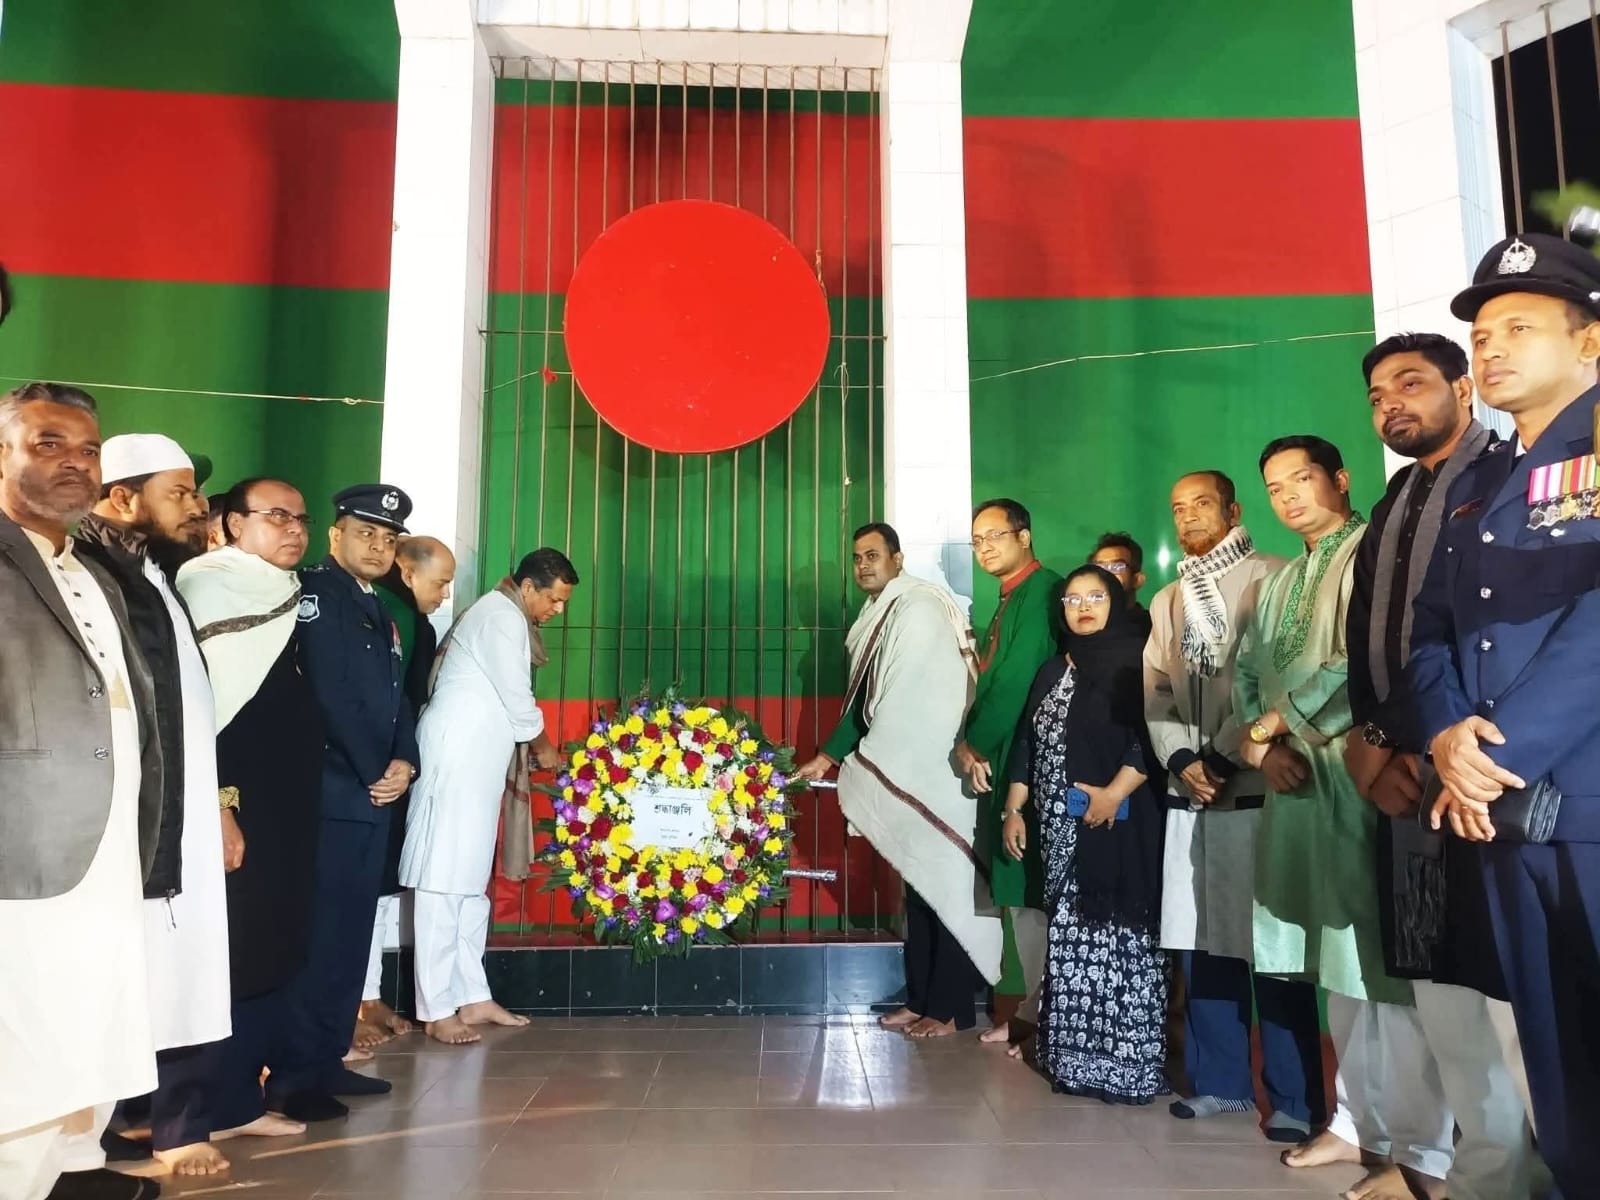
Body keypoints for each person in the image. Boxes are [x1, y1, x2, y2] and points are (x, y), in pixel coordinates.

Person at [1410, 232, 1600, 1200]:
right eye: (1482, 336)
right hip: (1505, 813)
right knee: (1553, 1054)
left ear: (1589, 341)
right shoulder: (1479, 482)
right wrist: (1446, 737)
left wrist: (1491, 758)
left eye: (1519, 328)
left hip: (1582, 802)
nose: (1490, 349)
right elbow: (1430, 627)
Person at [1343, 333, 1534, 1200]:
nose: (1392, 404)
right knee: (1435, 978)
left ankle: (1524, 1170)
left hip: (1477, 768)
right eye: (1379, 395)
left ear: (1464, 387)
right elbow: (1372, 632)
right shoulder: (1396, 499)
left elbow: (1482, 637)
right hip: (1402, 772)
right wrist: (1371, 737)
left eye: (1411, 384)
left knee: (1502, 988)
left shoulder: (1507, 476)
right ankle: (1470, 1171)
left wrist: (1420, 739)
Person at [1232, 436, 1415, 1192]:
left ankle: (1411, 1141)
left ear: (1339, 479)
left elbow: (1362, 658)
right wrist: (1259, 748)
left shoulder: (1373, 551)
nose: (1288, 497)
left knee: (1379, 965)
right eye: (1275, 488)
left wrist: (1282, 722)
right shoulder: (1281, 580)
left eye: (1301, 480)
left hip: (1359, 773)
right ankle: (1352, 1123)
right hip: (1296, 784)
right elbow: (1249, 669)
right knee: (1332, 966)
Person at [0, 384, 163, 1200]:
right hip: (23, 858)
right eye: (48, 443)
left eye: (88, 449)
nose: (75, 462)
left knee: (87, 1044)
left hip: (107, 855)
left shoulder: (95, 574)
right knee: (23, 1065)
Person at [1145, 471, 1325, 1141]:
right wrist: (1181, 761)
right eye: (1178, 508)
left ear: (1233, 509)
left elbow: (1272, 679)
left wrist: (1221, 756)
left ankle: (1295, 1099)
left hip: (1255, 786)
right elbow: (1157, 690)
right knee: (1204, 944)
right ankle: (1221, 1084)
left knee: (1273, 950)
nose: (1189, 517)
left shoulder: (1275, 577)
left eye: (1202, 504)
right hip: (1191, 795)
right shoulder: (1169, 598)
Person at [76, 436, 234, 1178]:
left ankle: (162, 1122)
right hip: (129, 823)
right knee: (131, 972)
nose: (198, 506)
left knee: (180, 968)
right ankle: (139, 1126)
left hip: (184, 815)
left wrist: (219, 804)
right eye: (180, 492)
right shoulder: (89, 575)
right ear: (122, 498)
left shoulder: (151, 573)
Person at [797, 523, 1000, 1036]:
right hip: (910, 767)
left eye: (873, 555)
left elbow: (911, 698)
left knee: (945, 887)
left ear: (898, 558)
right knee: (919, 887)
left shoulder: (918, 608)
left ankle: (950, 1010)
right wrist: (827, 757)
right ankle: (922, 998)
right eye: (857, 557)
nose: (863, 565)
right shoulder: (880, 612)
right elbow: (872, 700)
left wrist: (851, 757)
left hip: (939, 770)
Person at [265, 484, 419, 1116]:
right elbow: (330, 692)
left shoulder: (378, 605)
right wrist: (376, 767)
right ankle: (294, 1077)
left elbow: (396, 696)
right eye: (366, 533)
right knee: (321, 936)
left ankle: (327, 1058)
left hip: (372, 792)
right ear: (335, 535)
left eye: (388, 538)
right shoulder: (317, 596)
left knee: (351, 935)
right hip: (332, 791)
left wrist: (406, 760)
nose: (378, 546)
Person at [177, 478, 322, 1137]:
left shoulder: (288, 592)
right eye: (276, 516)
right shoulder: (207, 587)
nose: (294, 529)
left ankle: (243, 1097)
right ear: (233, 524)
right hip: (233, 798)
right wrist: (219, 804)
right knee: (238, 945)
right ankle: (216, 1102)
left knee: (276, 942)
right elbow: (200, 712)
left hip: (287, 801)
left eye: (301, 519)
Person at [1002, 564, 1169, 1103]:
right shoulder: (1053, 669)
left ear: (1115, 601)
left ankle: (1127, 1067)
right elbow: (1028, 742)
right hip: (1059, 827)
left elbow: (1150, 736)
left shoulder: (1134, 661)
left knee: (1121, 940)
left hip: (1120, 823)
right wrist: (1014, 808)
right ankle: (1074, 1062)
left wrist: (1114, 793)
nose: (1083, 607)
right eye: (1072, 600)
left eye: (1095, 596)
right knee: (1071, 940)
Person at [400, 548, 574, 1044]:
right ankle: (436, 1008)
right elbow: (517, 696)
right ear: (527, 586)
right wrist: (544, 746)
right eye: (554, 599)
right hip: (454, 758)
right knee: (441, 881)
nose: (558, 610)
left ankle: (472, 995)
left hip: (477, 763)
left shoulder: (509, 616)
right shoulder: (500, 617)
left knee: (469, 885)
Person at [957, 499, 1062, 1050]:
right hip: (1009, 759)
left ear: (1025, 536)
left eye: (995, 535)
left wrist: (973, 743)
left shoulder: (1042, 592)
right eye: (977, 540)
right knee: (1019, 892)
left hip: (1032, 762)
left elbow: (1018, 680)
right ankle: (1031, 1010)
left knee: (1033, 891)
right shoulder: (1011, 596)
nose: (985, 548)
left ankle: (1045, 1015)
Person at [352, 535, 457, 1054]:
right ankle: (352, 1001)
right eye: (440, 583)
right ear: (408, 572)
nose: (444, 594)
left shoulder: (408, 617)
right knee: (358, 888)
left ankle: (368, 995)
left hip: (391, 766)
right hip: (369, 770)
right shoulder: (388, 613)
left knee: (377, 889)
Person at [1090, 531, 1152, 634]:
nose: (1107, 574)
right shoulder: (1081, 627)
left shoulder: (1154, 628)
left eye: (1117, 567)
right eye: (1100, 567)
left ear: (1138, 580)